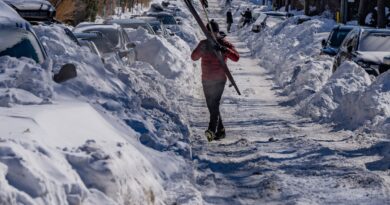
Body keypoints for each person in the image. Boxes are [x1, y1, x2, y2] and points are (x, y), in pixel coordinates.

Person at [191, 20, 240, 141]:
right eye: (208, 32)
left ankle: (211, 131)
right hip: (206, 79)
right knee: (211, 106)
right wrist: (201, 49)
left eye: (214, 32)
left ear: (218, 32)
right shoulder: (203, 43)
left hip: (219, 80)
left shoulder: (224, 43)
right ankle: (221, 130)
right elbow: (193, 57)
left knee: (214, 104)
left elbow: (236, 57)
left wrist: (224, 50)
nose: (212, 35)